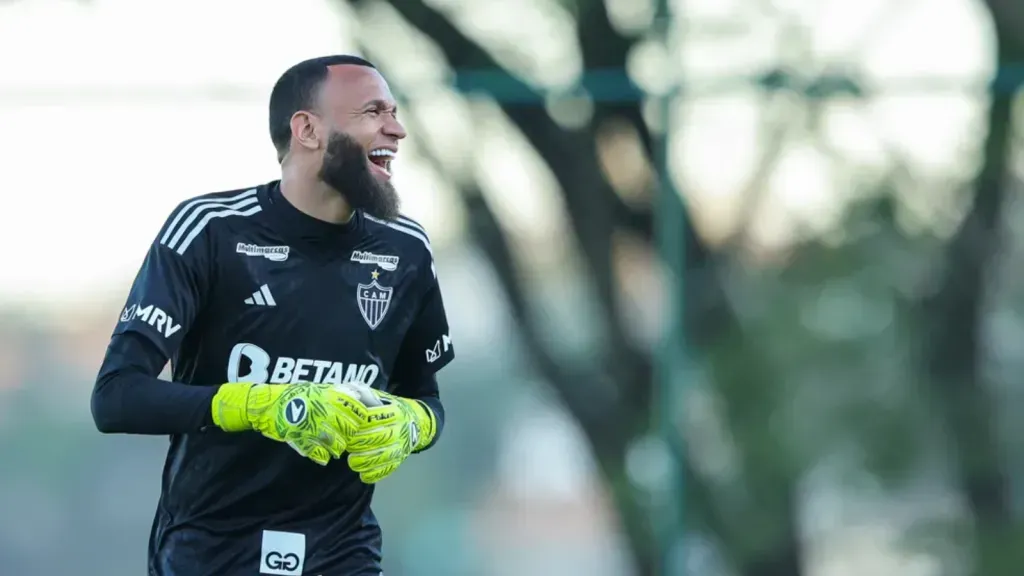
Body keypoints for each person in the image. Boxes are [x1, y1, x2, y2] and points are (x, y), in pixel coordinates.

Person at [90, 55, 455, 576]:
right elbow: (116, 398)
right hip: (209, 552)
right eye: (374, 112)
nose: (396, 129)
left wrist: (411, 424)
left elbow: (426, 399)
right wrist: (260, 405)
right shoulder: (210, 231)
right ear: (306, 129)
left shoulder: (408, 250)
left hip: (341, 552)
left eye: (394, 113)